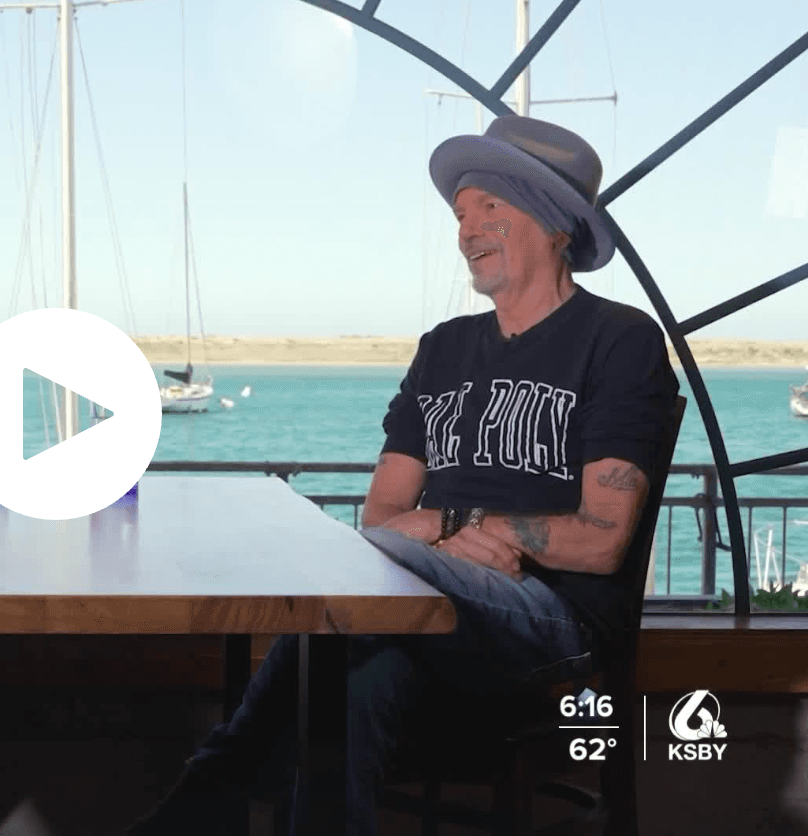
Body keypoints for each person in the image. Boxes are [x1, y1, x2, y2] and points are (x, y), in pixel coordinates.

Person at [127, 115, 679, 834]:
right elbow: (385, 515)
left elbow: (601, 541)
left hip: (549, 617)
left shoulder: (620, 340)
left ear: (554, 225)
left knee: (343, 565)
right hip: (421, 610)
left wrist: (454, 530)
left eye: (491, 208)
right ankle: (217, 790)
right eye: (460, 213)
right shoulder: (443, 350)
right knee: (354, 681)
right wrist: (442, 542)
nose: (467, 229)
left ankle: (215, 785)